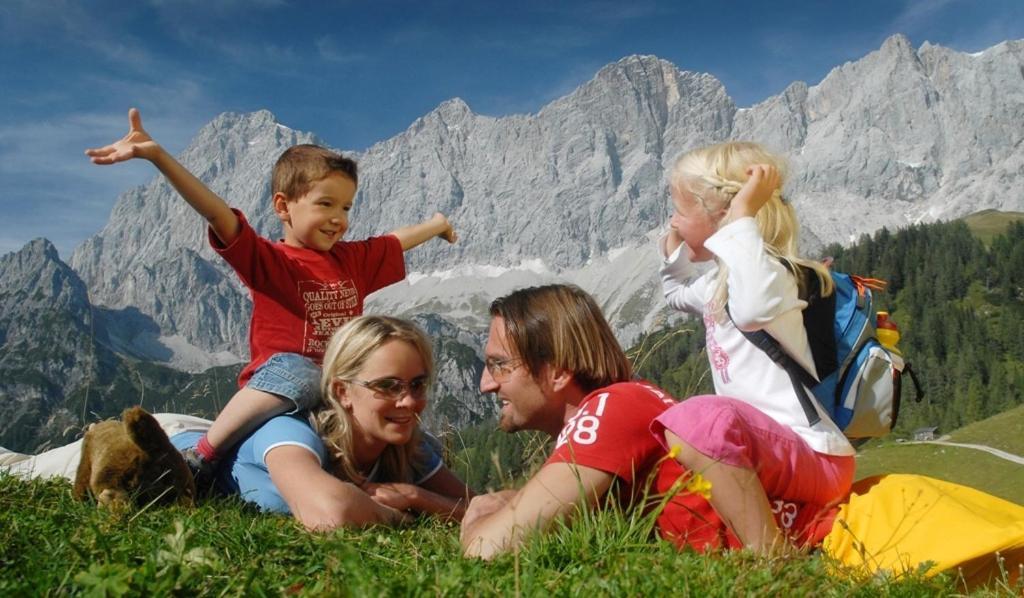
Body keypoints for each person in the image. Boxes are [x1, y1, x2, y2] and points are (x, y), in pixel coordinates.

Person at [85, 109, 458, 488]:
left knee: (408, 428)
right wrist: (158, 156)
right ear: (283, 207)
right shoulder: (269, 260)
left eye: (346, 207)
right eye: (325, 204)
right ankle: (201, 456)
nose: (338, 218)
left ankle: (452, 497)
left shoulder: (352, 261)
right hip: (280, 389)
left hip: (336, 391)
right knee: (302, 371)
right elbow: (217, 214)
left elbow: (393, 242)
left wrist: (437, 225)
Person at [2, 316, 472, 530]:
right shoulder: (290, 431)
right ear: (343, 391)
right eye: (387, 386)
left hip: (211, 433)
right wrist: (405, 516)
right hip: (159, 443)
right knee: (17, 469)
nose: (409, 401)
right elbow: (332, 513)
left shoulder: (408, 443)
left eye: (418, 384)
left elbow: (481, 506)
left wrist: (415, 494)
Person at [655, 141, 856, 553]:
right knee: (689, 439)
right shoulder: (715, 282)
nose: (672, 220)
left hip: (814, 454)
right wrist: (673, 252)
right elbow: (675, 295)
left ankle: (771, 558)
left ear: (721, 215)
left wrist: (742, 216)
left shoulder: (774, 273)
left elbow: (750, 311)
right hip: (772, 451)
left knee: (702, 417)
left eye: (680, 211)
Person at [459, 284, 691, 559]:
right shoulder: (624, 400)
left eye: (500, 365)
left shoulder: (614, 408)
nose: (486, 384)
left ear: (557, 371)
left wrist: (475, 520)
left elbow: (487, 548)